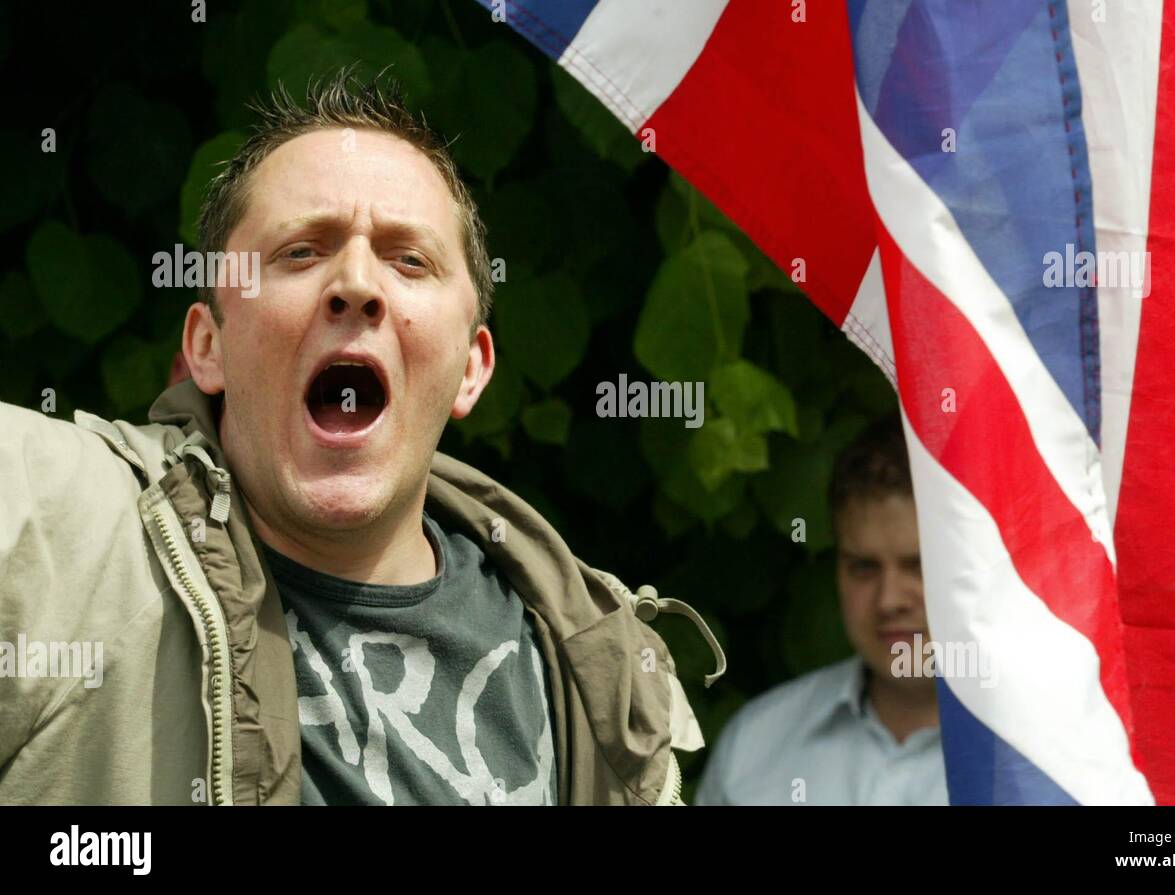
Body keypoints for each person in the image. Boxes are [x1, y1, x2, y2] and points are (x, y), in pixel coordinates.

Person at [0, 70, 708, 806]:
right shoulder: (65, 529)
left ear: (471, 368)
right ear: (208, 346)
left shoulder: (604, 673)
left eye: (410, 260)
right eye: (301, 252)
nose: (357, 283)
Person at [695, 415, 947, 805]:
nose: (889, 600)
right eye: (864, 567)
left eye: (919, 566)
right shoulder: (757, 743)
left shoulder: (1051, 755)